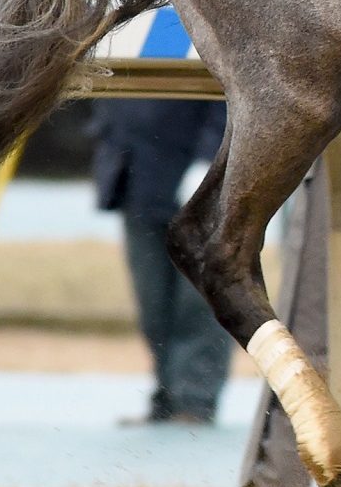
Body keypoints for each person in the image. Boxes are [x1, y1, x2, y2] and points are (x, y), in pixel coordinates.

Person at [90, 98, 234, 426]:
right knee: (153, 305)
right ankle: (166, 397)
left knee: (197, 305)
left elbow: (227, 102)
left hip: (201, 188)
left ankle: (195, 401)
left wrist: (209, 160)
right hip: (138, 182)